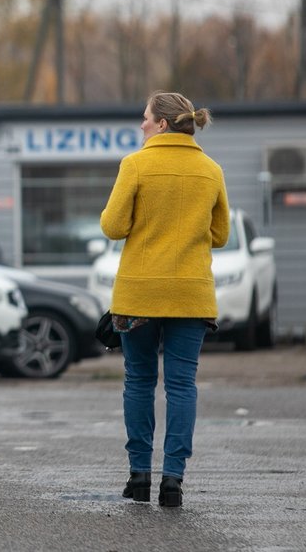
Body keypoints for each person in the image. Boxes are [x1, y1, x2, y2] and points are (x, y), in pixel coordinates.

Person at [99, 90, 229, 508]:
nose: (140, 125)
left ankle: (139, 475)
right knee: (181, 385)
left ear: (162, 124)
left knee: (138, 380)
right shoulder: (211, 171)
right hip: (191, 295)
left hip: (139, 294)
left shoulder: (135, 165)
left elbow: (113, 226)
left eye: (145, 118)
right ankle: (173, 479)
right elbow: (221, 234)